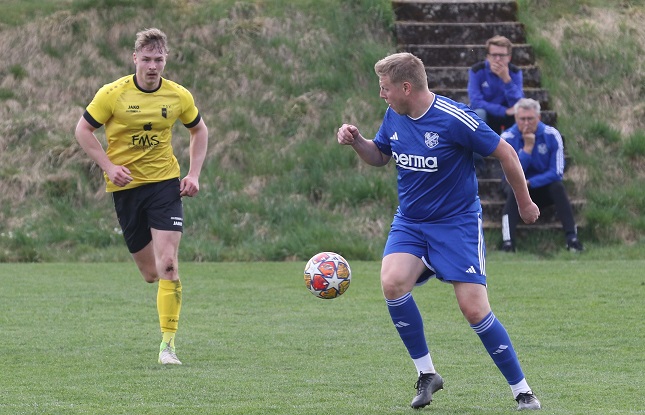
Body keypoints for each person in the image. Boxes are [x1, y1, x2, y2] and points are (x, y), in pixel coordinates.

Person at [337, 52, 541, 410]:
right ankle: (427, 374)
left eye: (385, 88)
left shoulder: (454, 118)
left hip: (456, 224)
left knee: (474, 309)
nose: (381, 95)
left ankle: (522, 390)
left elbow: (507, 154)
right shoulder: (394, 114)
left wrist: (524, 203)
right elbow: (380, 155)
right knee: (392, 282)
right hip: (411, 223)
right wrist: (357, 142)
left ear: (406, 87)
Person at [75, 28, 209, 365]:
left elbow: (199, 129)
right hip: (126, 189)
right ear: (134, 58)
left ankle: (168, 347)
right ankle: (165, 316)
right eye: (146, 59)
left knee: (169, 264)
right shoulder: (112, 94)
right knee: (151, 273)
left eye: (158, 59)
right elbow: (83, 130)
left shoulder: (178, 95)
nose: (152, 66)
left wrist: (193, 174)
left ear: (166, 60)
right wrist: (109, 166)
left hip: (165, 185)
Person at [500, 98, 583, 252]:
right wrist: (527, 150)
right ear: (516, 118)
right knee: (514, 189)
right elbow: (508, 173)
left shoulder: (551, 135)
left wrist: (531, 182)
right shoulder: (507, 138)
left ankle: (572, 239)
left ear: (538, 117)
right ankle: (508, 242)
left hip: (541, 186)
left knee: (558, 188)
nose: (526, 123)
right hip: (516, 185)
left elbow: (557, 172)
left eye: (530, 119)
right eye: (522, 119)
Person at [468, 35, 524, 134]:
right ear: (488, 57)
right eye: (494, 55)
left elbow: (518, 102)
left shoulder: (515, 72)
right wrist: (503, 111)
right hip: (487, 112)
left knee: (521, 114)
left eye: (502, 55)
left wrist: (507, 80)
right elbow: (476, 101)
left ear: (509, 57)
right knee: (478, 113)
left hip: (508, 116)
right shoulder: (477, 71)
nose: (498, 59)